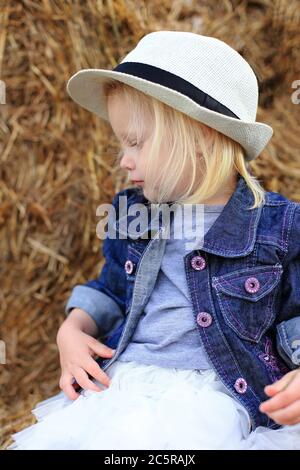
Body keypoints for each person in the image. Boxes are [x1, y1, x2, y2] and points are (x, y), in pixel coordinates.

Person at [8, 31, 300, 450]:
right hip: (127, 383)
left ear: (199, 136)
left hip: (217, 396)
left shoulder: (278, 227)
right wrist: (71, 329)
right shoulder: (134, 214)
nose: (124, 160)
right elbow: (110, 290)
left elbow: (295, 313)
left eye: (135, 142)